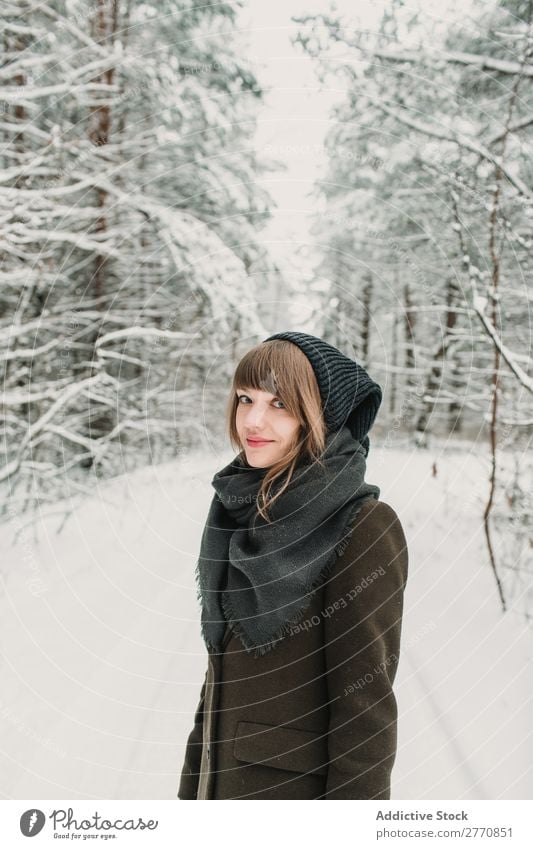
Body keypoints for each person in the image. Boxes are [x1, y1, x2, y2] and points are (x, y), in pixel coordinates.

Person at [177, 331, 409, 800]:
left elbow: (366, 710)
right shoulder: (236, 512)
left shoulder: (363, 526)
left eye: (279, 403)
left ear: (319, 417)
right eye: (246, 399)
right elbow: (217, 683)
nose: (253, 420)